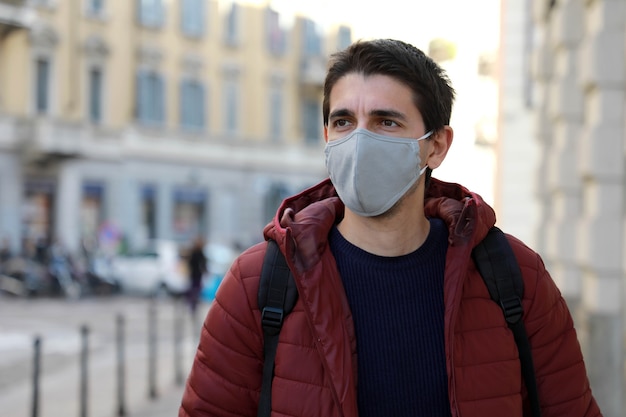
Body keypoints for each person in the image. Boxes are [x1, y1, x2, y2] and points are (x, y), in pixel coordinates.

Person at [179, 39, 602, 417]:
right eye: (344, 122)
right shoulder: (258, 283)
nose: (360, 141)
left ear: (436, 146)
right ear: (327, 135)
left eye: (387, 122)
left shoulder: (514, 277)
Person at [186, 236, 208, 317]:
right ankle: (192, 304)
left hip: (198, 274)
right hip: (194, 274)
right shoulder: (194, 253)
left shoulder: (200, 253)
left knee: (197, 289)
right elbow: (191, 263)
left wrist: (204, 269)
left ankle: (194, 304)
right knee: (194, 289)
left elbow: (204, 263)